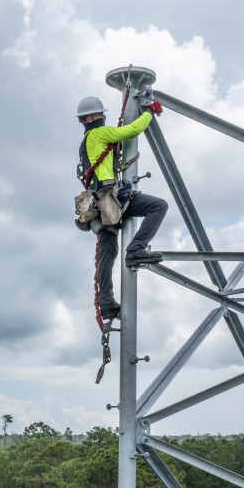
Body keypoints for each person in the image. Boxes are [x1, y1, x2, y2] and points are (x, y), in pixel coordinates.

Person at [76, 95, 169, 323]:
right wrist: (150, 112)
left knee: (107, 253)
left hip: (97, 203)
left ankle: (107, 305)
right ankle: (136, 249)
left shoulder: (86, 141)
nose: (103, 117)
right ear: (90, 118)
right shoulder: (99, 133)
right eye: (100, 114)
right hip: (110, 198)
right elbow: (133, 130)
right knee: (158, 206)